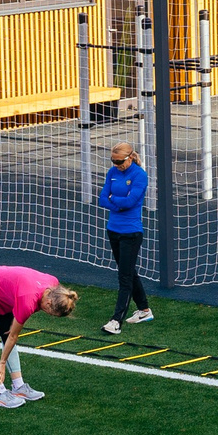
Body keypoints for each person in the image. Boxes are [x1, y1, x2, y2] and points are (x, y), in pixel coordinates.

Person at [0, 263, 79, 408]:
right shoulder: (28, 301)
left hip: (6, 295)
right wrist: (1, 363)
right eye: (51, 312)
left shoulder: (54, 286)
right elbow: (13, 336)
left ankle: (18, 386)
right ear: (48, 302)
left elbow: (11, 336)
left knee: (6, 335)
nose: (49, 314)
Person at [98, 141, 152, 334]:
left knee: (124, 277)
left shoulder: (139, 175)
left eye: (119, 161)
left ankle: (116, 321)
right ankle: (144, 310)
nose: (116, 164)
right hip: (113, 229)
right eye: (113, 161)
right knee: (127, 271)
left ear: (130, 158)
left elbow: (130, 202)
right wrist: (117, 203)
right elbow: (102, 198)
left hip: (131, 232)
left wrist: (115, 201)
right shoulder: (112, 172)